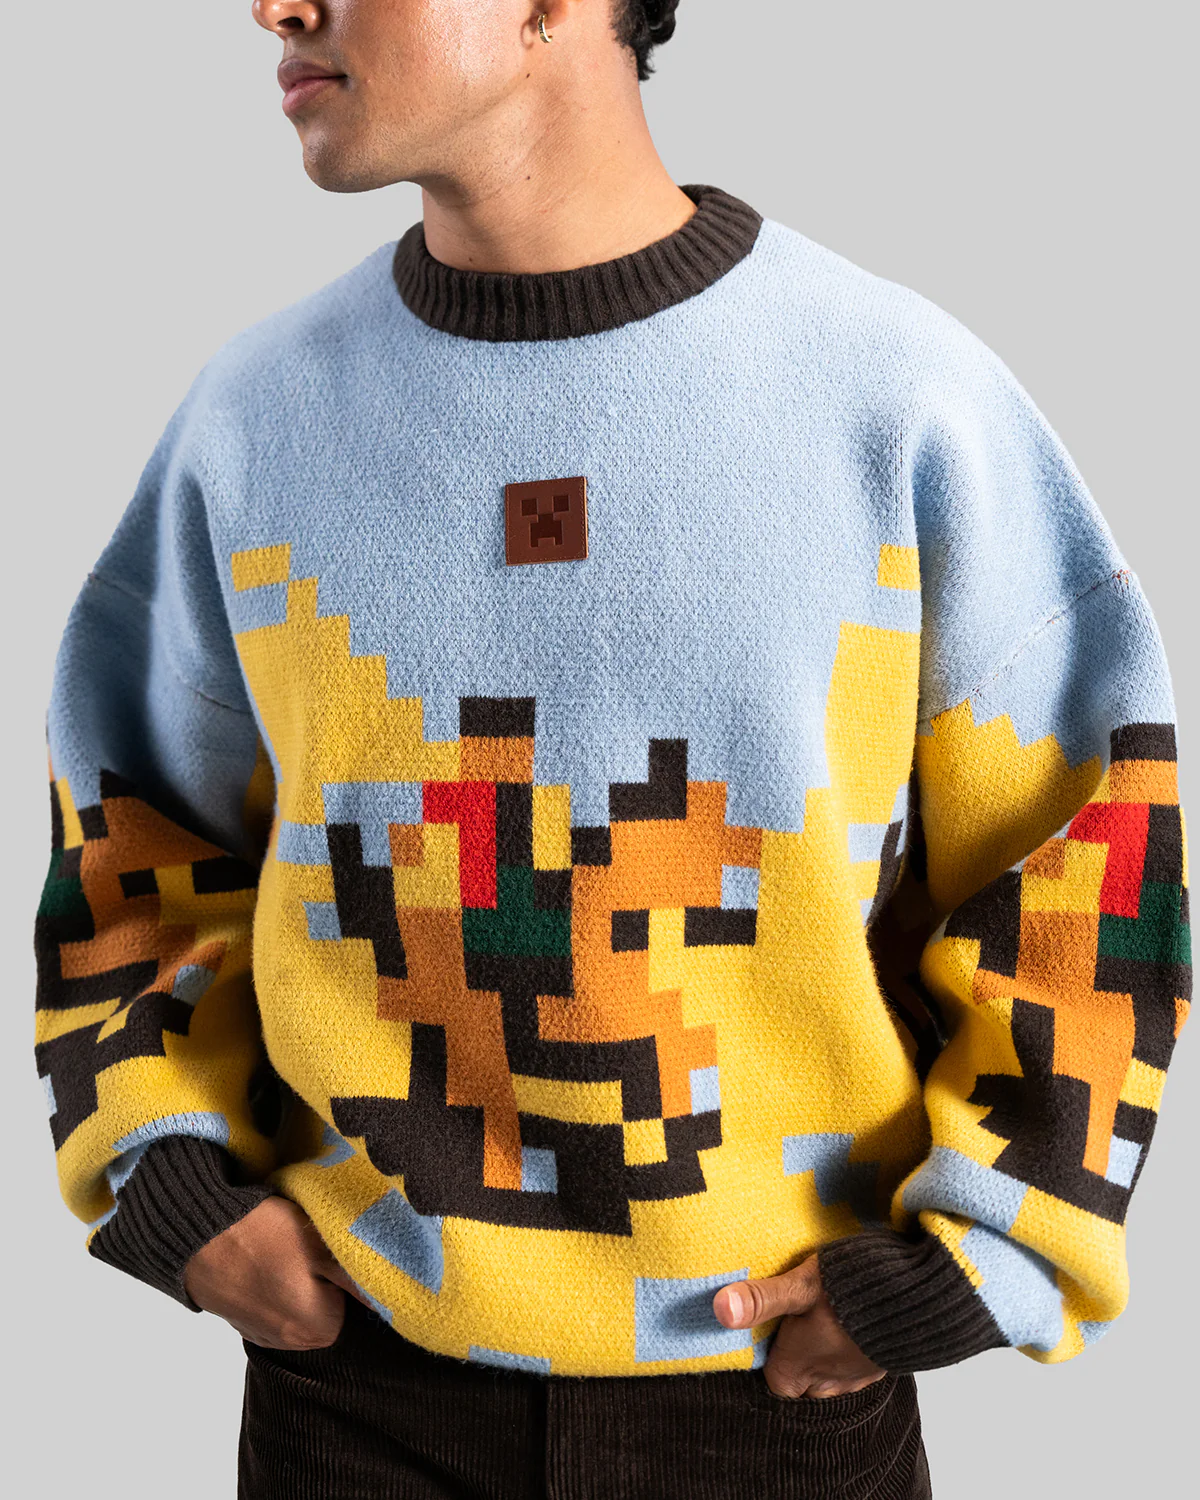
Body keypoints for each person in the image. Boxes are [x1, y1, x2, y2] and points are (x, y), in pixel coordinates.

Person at [34, 2, 1190, 1496]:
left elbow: (1091, 847)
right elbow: (129, 830)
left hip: (773, 1394)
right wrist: (174, 1182)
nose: (275, 6)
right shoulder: (253, 423)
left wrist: (984, 1254)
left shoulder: (901, 403)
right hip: (354, 1393)